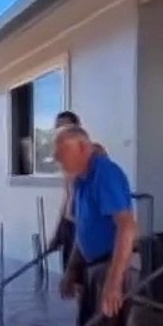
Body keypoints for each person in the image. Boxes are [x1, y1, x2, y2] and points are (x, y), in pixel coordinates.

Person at [53, 125, 137, 326]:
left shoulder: (105, 174)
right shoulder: (80, 180)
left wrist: (114, 281)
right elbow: (83, 230)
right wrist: (71, 270)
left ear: (82, 147)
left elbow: (127, 226)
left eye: (61, 151)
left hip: (111, 265)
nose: (56, 158)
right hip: (92, 266)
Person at [46, 110, 107, 273]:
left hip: (87, 223)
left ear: (78, 128)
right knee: (70, 275)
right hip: (70, 223)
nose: (62, 131)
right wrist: (59, 232)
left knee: (86, 274)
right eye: (58, 128)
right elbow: (69, 197)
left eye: (66, 127)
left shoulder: (94, 152)